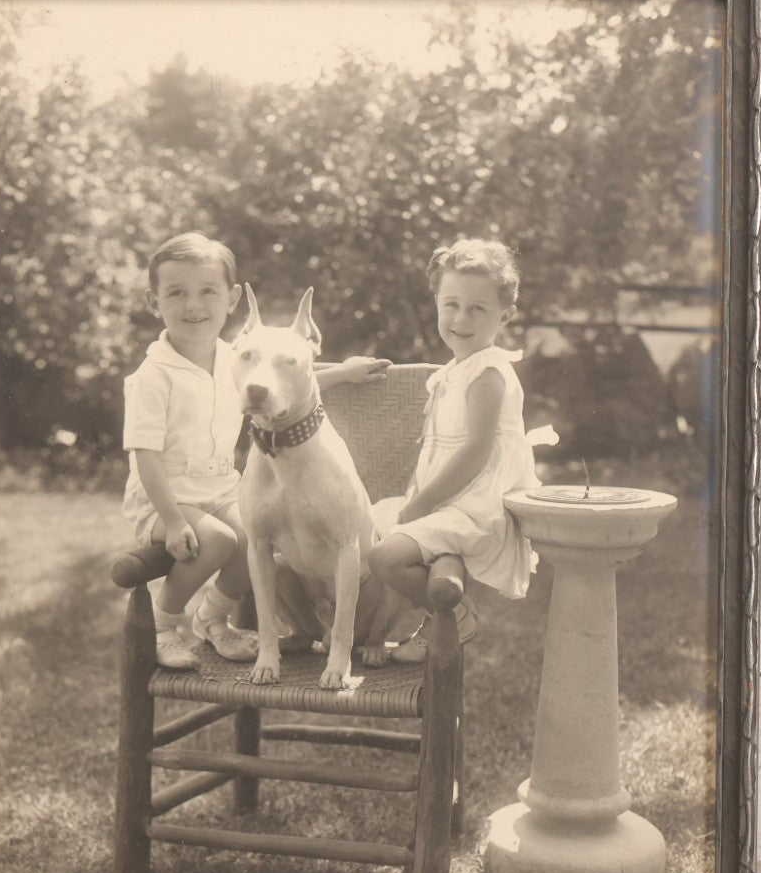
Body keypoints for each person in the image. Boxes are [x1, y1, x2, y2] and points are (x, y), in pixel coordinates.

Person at [123, 230, 389, 669]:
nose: (193, 305)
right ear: (155, 304)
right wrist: (171, 519)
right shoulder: (153, 376)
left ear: (230, 301)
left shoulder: (237, 358)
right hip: (165, 498)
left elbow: (284, 386)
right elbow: (144, 455)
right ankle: (164, 625)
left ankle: (211, 619)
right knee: (221, 537)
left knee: (253, 540)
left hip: (217, 489)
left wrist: (341, 372)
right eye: (177, 293)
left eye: (207, 291)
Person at [369, 237, 555, 664]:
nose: (461, 318)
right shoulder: (454, 371)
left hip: (475, 505)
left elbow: (474, 453)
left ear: (504, 316)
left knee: (387, 557)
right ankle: (368, 629)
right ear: (437, 302)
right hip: (448, 501)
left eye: (478, 309)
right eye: (451, 304)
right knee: (367, 528)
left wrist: (422, 502)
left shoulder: (488, 373)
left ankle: (454, 615)